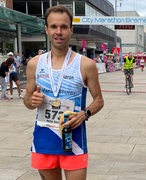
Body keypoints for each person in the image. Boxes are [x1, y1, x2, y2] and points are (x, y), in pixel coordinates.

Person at [23, 6, 104, 180]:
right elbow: (28, 102)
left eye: (64, 27)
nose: (58, 32)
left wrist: (85, 114)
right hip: (44, 139)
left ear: (71, 30)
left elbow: (99, 100)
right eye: (53, 27)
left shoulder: (86, 65)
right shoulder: (35, 64)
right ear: (46, 30)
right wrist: (32, 100)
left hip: (73, 139)